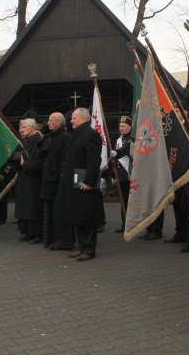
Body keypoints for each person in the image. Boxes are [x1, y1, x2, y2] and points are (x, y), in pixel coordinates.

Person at [55, 107, 104, 261]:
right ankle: (82, 247)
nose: (71, 120)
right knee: (77, 217)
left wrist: (89, 181)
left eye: (74, 118)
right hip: (73, 184)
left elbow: (94, 161)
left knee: (87, 218)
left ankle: (89, 250)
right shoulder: (76, 134)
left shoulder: (91, 135)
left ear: (83, 118)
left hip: (84, 184)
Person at [39, 112, 71, 249]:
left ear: (59, 122)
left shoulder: (65, 137)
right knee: (50, 211)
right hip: (48, 179)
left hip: (57, 180)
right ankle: (50, 239)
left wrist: (57, 175)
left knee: (59, 212)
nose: (48, 123)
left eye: (51, 120)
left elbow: (63, 160)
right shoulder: (50, 137)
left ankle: (61, 240)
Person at [15, 118, 44, 244]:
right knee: (25, 206)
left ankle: (36, 234)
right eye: (21, 128)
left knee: (33, 206)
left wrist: (24, 163)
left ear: (32, 128)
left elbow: (39, 162)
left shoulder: (39, 141)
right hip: (24, 177)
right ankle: (27, 231)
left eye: (24, 127)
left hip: (34, 179)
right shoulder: (24, 141)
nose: (21, 130)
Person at [110, 116, 132, 234]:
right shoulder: (118, 140)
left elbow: (126, 149)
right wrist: (114, 175)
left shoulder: (131, 139)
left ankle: (131, 224)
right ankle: (124, 223)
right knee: (123, 200)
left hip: (130, 174)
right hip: (121, 175)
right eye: (120, 126)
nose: (121, 128)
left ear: (130, 127)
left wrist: (116, 153)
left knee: (131, 201)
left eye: (123, 126)